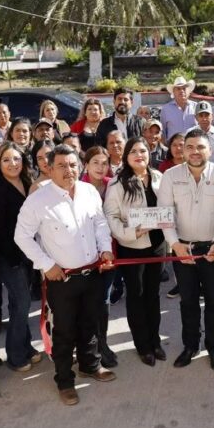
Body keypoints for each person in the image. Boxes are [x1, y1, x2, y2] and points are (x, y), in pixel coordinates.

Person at [15, 145, 116, 406]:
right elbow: (21, 236)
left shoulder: (89, 191)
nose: (68, 170)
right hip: (62, 278)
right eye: (61, 165)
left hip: (92, 272)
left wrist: (105, 249)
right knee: (64, 331)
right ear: (49, 169)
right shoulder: (38, 199)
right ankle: (64, 381)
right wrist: (46, 264)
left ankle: (90, 365)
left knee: (90, 323)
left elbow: (100, 223)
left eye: (72, 165)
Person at [158, 129, 214, 371]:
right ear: (182, 150)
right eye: (189, 147)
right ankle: (190, 346)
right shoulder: (170, 176)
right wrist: (174, 244)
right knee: (188, 301)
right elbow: (165, 214)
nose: (195, 151)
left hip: (213, 249)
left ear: (210, 150)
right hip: (182, 249)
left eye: (200, 147)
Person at [103, 138, 167, 366]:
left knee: (153, 294)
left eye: (143, 151)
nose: (139, 155)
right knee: (137, 296)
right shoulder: (117, 183)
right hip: (132, 247)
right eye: (134, 152)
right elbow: (111, 216)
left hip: (158, 245)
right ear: (126, 156)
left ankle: (155, 341)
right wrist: (131, 232)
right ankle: (143, 345)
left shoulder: (159, 177)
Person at [0, 142, 42, 372]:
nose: (12, 164)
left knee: (19, 303)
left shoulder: (29, 183)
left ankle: (26, 346)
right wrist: (15, 258)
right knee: (22, 302)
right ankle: (16, 355)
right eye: (6, 159)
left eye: (16, 158)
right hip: (8, 257)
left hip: (29, 254)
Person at [79, 146, 119, 367]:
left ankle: (102, 343)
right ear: (86, 165)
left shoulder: (113, 185)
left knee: (104, 300)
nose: (100, 167)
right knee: (87, 302)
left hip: (110, 252)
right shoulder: (77, 187)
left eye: (104, 163)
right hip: (83, 254)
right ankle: (87, 345)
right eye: (95, 162)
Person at [188, 101, 214, 165]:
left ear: (212, 117)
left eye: (207, 115)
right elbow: (187, 154)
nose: (204, 119)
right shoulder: (190, 133)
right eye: (201, 116)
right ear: (196, 118)